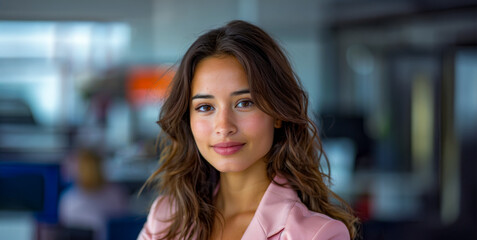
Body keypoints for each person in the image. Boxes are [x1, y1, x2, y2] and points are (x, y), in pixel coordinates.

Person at [138, 20, 358, 240]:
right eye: (205, 107)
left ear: (278, 114)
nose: (224, 127)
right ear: (189, 120)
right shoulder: (165, 218)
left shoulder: (317, 234)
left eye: (244, 103)